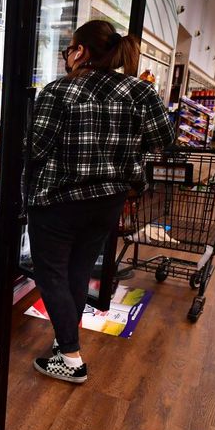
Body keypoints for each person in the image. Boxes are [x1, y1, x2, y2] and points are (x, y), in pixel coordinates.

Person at [25, 20, 174, 384]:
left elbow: (36, 149)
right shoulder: (140, 92)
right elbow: (164, 141)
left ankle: (72, 357)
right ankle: (66, 345)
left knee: (52, 274)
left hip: (58, 200)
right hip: (108, 201)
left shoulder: (59, 91)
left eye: (69, 50)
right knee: (78, 269)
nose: (67, 57)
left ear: (82, 51)